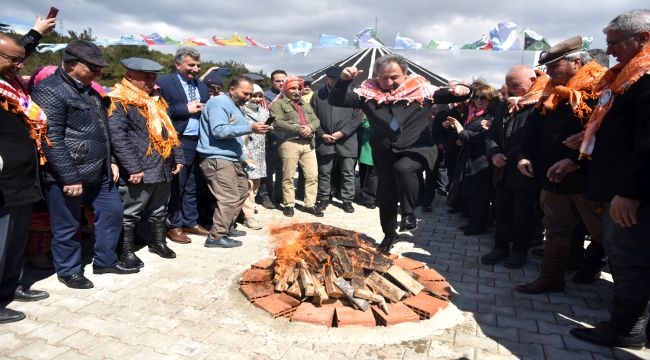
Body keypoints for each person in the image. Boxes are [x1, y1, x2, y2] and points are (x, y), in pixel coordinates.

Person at [329, 54, 470, 253]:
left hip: (417, 148)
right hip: (384, 153)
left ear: (404, 74)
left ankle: (408, 213)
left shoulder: (423, 91)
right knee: (386, 196)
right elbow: (337, 99)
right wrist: (344, 80)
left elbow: (457, 95)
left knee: (403, 169)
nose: (389, 82)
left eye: (394, 77)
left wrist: (463, 90)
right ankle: (389, 233)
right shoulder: (367, 94)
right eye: (383, 77)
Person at [570, 9, 650, 349]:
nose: (610, 51)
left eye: (615, 43)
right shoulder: (624, 79)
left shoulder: (644, 79)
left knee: (629, 258)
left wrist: (629, 192)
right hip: (621, 187)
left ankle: (625, 330)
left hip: (633, 194)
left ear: (643, 39)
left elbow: (648, 142)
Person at [32, 40, 140, 290]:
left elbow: (104, 132)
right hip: (67, 174)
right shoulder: (50, 90)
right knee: (67, 225)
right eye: (93, 67)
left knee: (112, 212)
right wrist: (69, 177)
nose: (99, 72)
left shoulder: (91, 91)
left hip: (99, 170)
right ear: (72, 64)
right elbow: (51, 138)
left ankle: (105, 261)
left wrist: (111, 161)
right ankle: (69, 270)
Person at [514, 36, 607, 294]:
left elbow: (610, 135)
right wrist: (524, 156)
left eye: (555, 65)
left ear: (576, 62)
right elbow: (533, 129)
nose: (549, 71)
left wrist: (576, 161)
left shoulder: (601, 89)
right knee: (555, 231)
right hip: (553, 180)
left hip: (588, 180)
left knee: (608, 237)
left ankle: (629, 306)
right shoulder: (551, 93)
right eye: (548, 66)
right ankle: (551, 277)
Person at [107, 57, 184, 268]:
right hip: (138, 168)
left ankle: (157, 242)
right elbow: (117, 137)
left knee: (160, 209)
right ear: (130, 76)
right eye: (145, 78)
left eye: (153, 77)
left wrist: (178, 156)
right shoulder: (119, 99)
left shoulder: (156, 99)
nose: (151, 82)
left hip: (163, 166)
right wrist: (133, 167)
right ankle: (126, 251)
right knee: (131, 212)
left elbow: (169, 131)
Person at [0, 29, 52, 323]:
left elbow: (17, 52)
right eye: (14, 61)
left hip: (22, 179)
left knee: (14, 241)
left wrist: (35, 34)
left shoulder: (12, 85)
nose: (21, 66)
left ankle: (11, 287)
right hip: (3, 182)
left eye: (22, 61)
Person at [481, 66, 547, 268]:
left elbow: (536, 139)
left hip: (524, 170)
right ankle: (500, 247)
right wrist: (493, 153)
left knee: (523, 214)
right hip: (502, 170)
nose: (510, 89)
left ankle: (519, 250)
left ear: (532, 81)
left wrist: (514, 156)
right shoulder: (503, 105)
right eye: (508, 85)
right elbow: (491, 135)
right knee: (501, 210)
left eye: (516, 85)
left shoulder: (542, 104)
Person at [197, 76, 269, 248]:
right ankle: (215, 237)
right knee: (228, 197)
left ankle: (227, 227)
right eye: (245, 93)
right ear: (231, 89)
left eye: (251, 94)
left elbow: (234, 138)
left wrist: (244, 158)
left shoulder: (236, 106)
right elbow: (219, 131)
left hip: (232, 158)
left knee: (243, 189)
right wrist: (250, 128)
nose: (248, 97)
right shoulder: (219, 103)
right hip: (217, 158)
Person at [156, 47, 210, 244]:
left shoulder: (202, 87)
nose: (195, 69)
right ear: (178, 64)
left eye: (198, 65)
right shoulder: (162, 82)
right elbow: (156, 110)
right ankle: (173, 224)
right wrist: (183, 109)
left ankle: (190, 221)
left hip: (198, 142)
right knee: (177, 185)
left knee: (193, 184)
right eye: (191, 65)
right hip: (176, 140)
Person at [448, 82, 499, 236]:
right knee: (471, 191)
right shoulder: (475, 114)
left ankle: (478, 226)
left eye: (483, 97)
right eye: (476, 97)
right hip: (470, 158)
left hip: (481, 159)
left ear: (491, 99)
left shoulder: (491, 117)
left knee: (480, 194)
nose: (478, 100)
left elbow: (481, 138)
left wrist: (459, 128)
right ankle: (474, 222)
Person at [270, 76, 323, 217]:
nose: (297, 91)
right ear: (286, 89)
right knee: (288, 175)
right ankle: (289, 204)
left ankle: (310, 204)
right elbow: (277, 123)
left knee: (313, 175)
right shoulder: (278, 104)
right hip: (290, 143)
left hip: (308, 143)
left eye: (299, 88)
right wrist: (299, 129)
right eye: (293, 88)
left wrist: (310, 128)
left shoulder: (305, 104)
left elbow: (316, 120)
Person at [311, 66, 362, 213]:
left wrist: (343, 132)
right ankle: (323, 198)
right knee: (324, 172)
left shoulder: (353, 94)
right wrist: (321, 134)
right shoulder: (318, 94)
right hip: (325, 139)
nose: (334, 81)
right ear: (328, 78)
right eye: (332, 78)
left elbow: (358, 117)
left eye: (337, 79)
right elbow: (312, 117)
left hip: (347, 140)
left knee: (348, 172)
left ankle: (347, 200)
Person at [256, 69, 288, 209]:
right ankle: (265, 196)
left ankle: (279, 195)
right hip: (269, 138)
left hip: (286, 138)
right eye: (278, 81)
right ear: (271, 82)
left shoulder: (290, 95)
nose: (281, 83)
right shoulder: (265, 97)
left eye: (283, 81)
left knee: (283, 169)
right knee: (267, 170)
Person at [240, 84, 269, 230]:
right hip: (247, 150)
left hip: (260, 151)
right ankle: (248, 217)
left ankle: (245, 211)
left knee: (255, 184)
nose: (257, 99)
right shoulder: (241, 110)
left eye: (260, 96)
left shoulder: (264, 111)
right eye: (254, 96)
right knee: (248, 185)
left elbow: (271, 125)